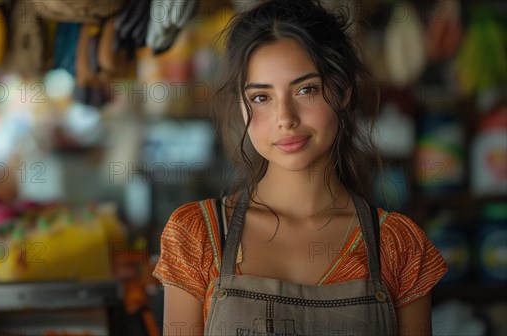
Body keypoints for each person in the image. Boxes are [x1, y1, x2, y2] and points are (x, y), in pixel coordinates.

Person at [152, 1, 447, 335]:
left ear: (343, 92)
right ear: (241, 105)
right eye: (262, 97)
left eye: (306, 90)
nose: (286, 119)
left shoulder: (398, 245)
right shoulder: (196, 236)